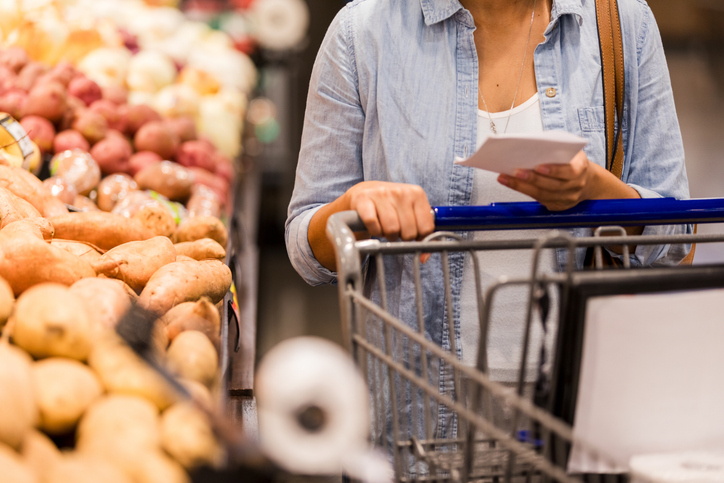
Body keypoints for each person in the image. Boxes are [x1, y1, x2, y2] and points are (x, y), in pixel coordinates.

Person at [286, 0, 691, 439]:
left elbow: (675, 246)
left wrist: (594, 189)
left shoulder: (622, 25)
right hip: (417, 420)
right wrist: (356, 207)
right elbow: (306, 248)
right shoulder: (362, 33)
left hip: (584, 413)